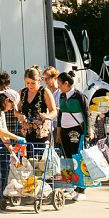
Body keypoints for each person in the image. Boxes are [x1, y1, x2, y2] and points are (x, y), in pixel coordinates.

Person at [57, 71, 91, 200]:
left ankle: (81, 190)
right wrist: (59, 133)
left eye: (60, 84)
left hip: (77, 129)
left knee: (78, 159)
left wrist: (87, 133)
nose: (58, 86)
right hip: (64, 130)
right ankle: (70, 185)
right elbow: (60, 115)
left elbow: (86, 114)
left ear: (66, 83)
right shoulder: (62, 96)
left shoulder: (79, 96)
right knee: (68, 158)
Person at [0, 72, 21, 198]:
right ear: (9, 83)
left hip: (4, 135)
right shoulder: (16, 96)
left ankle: (4, 190)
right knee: (16, 165)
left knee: (4, 166)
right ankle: (16, 189)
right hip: (16, 134)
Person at [17, 67, 57, 146]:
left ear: (39, 80)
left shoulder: (45, 92)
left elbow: (54, 111)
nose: (30, 86)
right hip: (25, 133)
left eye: (33, 83)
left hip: (41, 134)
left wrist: (47, 116)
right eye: (27, 83)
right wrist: (19, 115)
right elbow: (15, 110)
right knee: (25, 157)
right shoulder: (22, 92)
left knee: (41, 157)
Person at [42, 66, 61, 138]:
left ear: (55, 78)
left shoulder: (60, 92)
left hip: (58, 125)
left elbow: (62, 110)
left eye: (48, 78)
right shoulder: (45, 92)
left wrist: (52, 109)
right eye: (44, 79)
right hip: (47, 126)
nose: (46, 81)